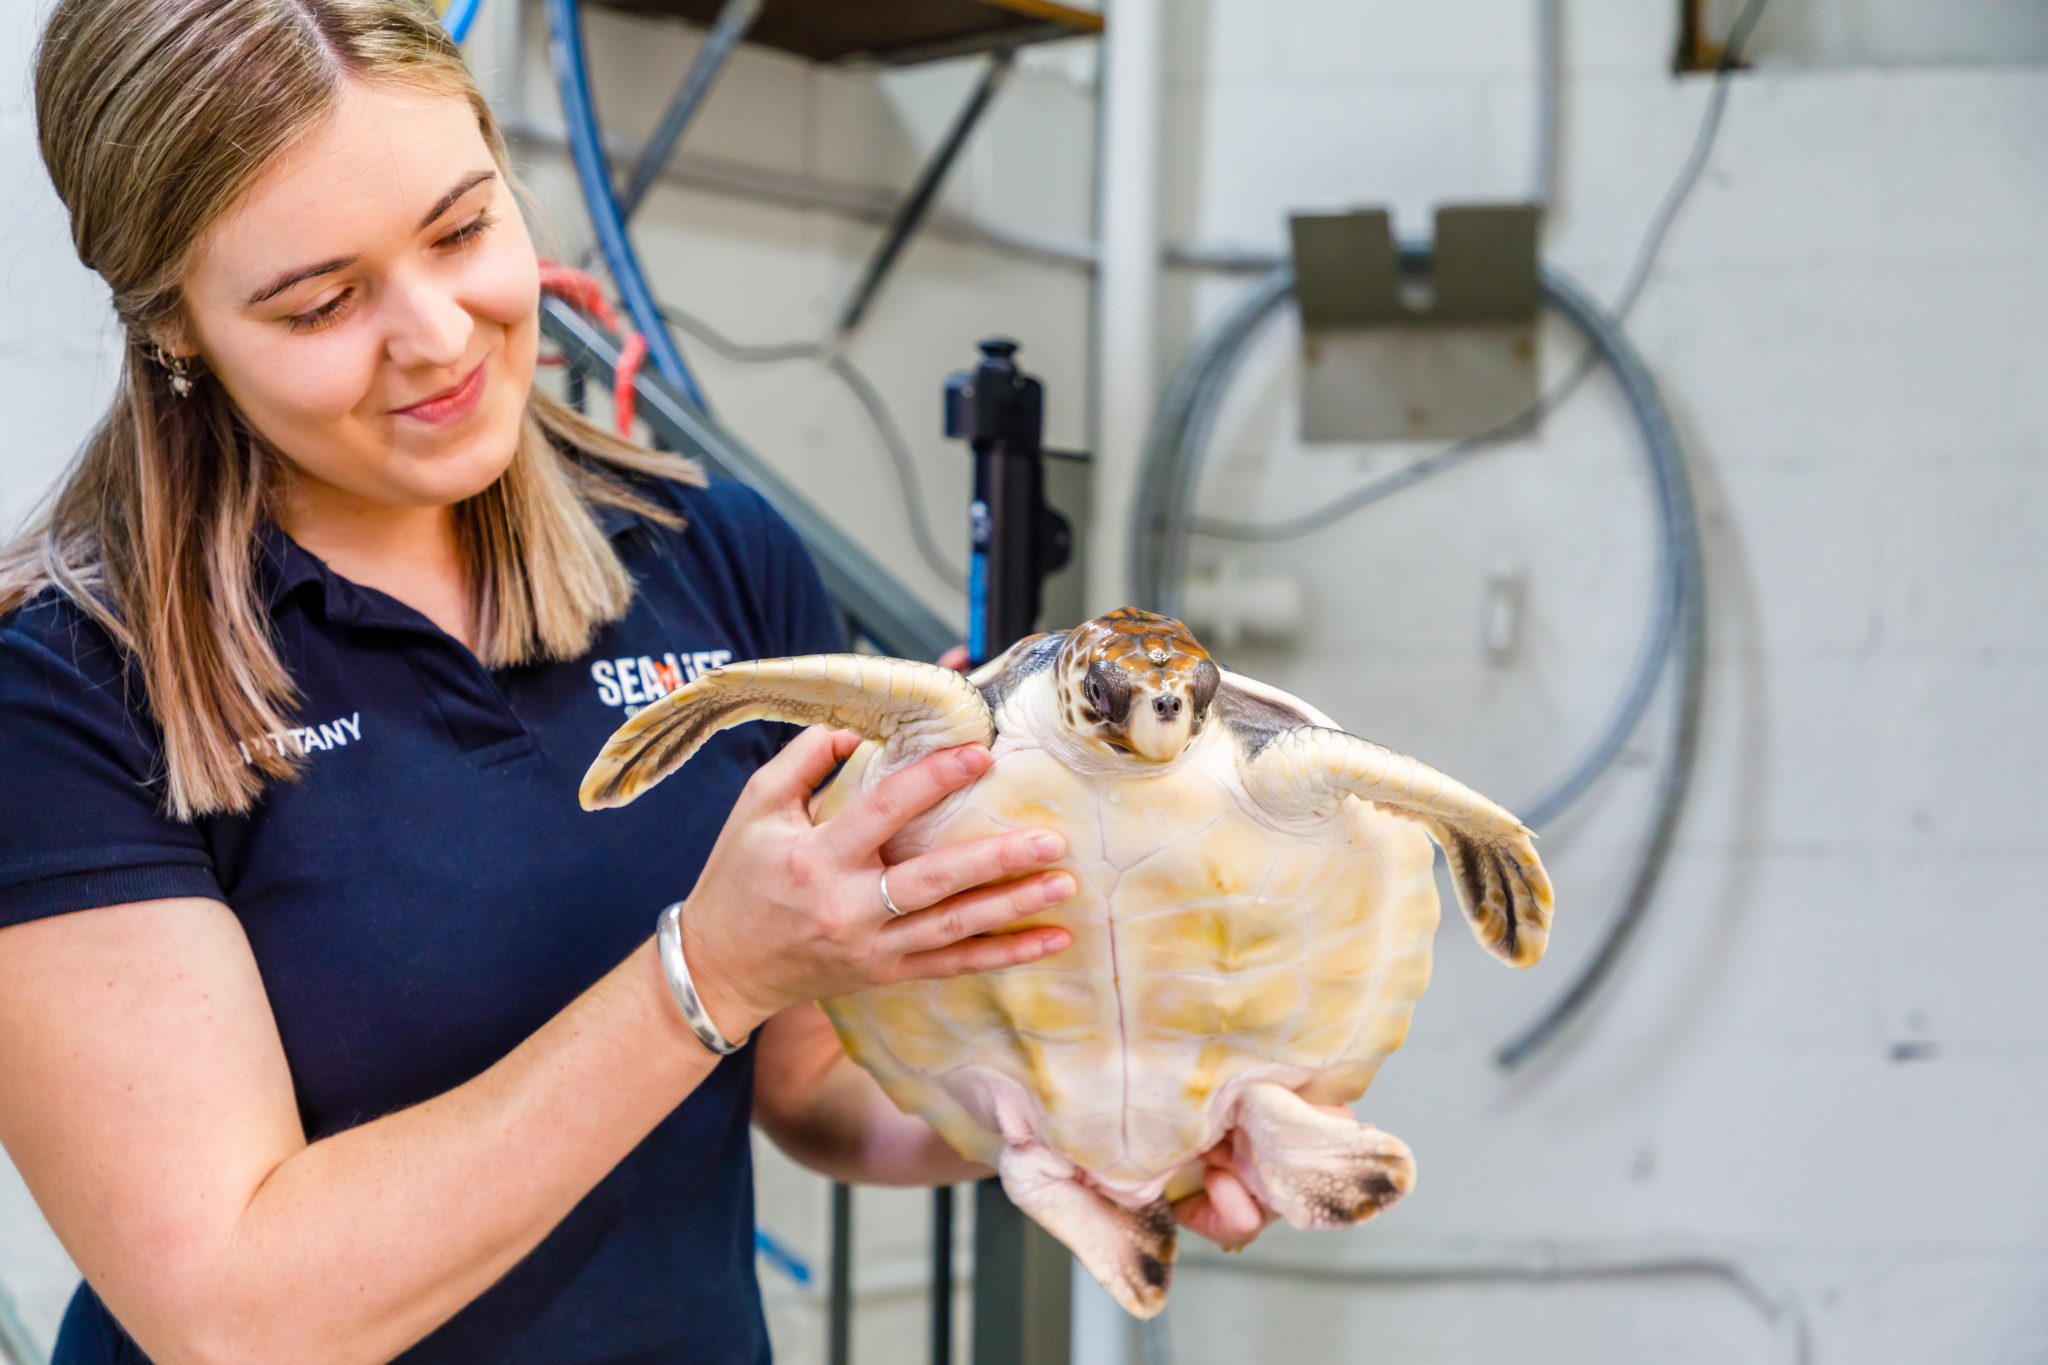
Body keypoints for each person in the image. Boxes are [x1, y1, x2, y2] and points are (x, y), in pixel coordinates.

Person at [0, 2, 1279, 1361]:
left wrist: (1086, 1121)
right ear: (177, 330)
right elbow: (242, 1318)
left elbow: (814, 1078)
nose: (435, 334)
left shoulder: (711, 558)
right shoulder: (67, 698)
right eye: (322, 300)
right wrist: (701, 972)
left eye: (461, 230)